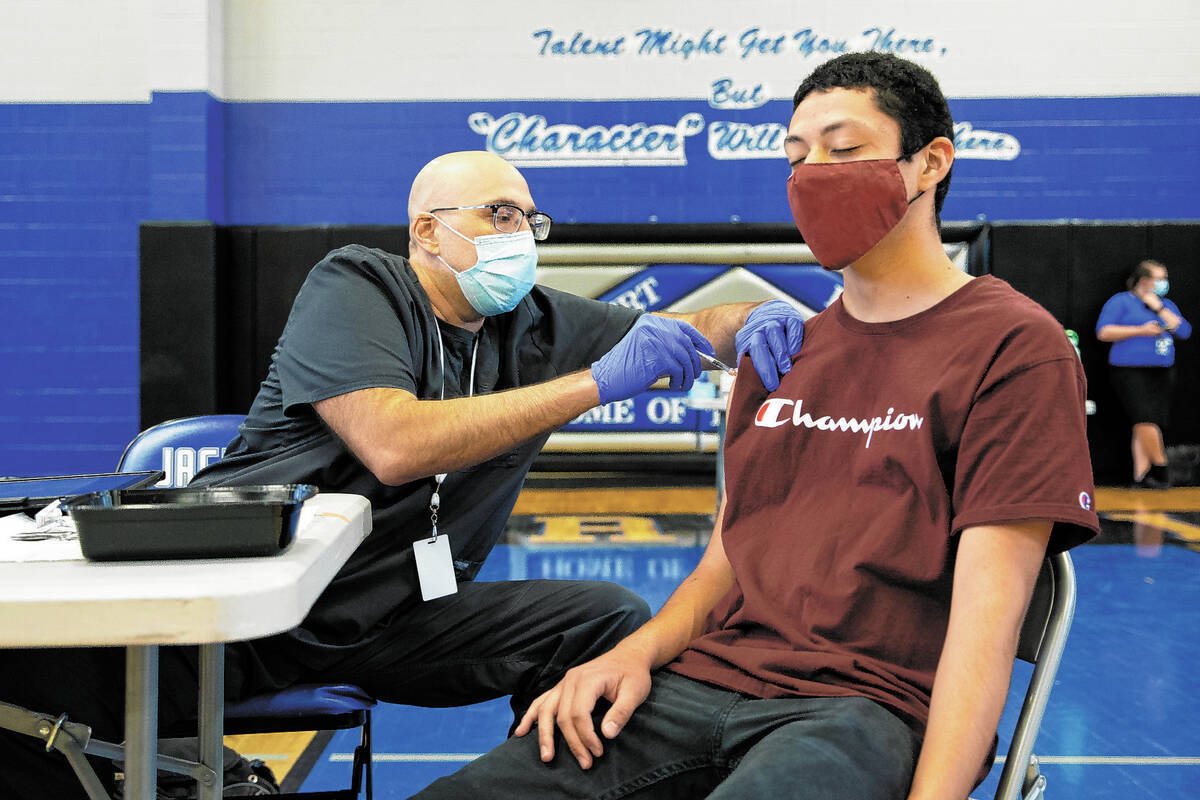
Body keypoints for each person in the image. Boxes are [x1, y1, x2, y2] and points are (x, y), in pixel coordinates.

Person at [0, 150, 806, 799]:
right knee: (31, 689)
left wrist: (751, 320)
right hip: (254, 610)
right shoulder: (357, 285)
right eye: (498, 214)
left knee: (605, 620)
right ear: (426, 232)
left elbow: (699, 325)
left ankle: (554, 787)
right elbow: (392, 442)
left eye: (530, 218)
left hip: (398, 619)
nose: (520, 232)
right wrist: (593, 384)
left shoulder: (537, 323)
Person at [413, 53, 1100, 800]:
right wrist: (632, 654)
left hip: (862, 711)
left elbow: (984, 631)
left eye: (844, 151)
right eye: (796, 156)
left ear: (930, 162)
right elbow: (724, 566)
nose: (813, 174)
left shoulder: (1013, 348)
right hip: (699, 687)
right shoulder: (784, 351)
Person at [1096, 259, 1191, 489]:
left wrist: (1158, 308)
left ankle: (1141, 475)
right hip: (1129, 371)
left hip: (1161, 371)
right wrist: (1141, 330)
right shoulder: (1121, 302)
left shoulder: (1165, 304)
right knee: (1144, 418)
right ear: (1144, 280)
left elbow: (1184, 331)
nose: (1163, 283)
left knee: (1146, 423)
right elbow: (1103, 331)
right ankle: (1162, 469)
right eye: (1159, 279)